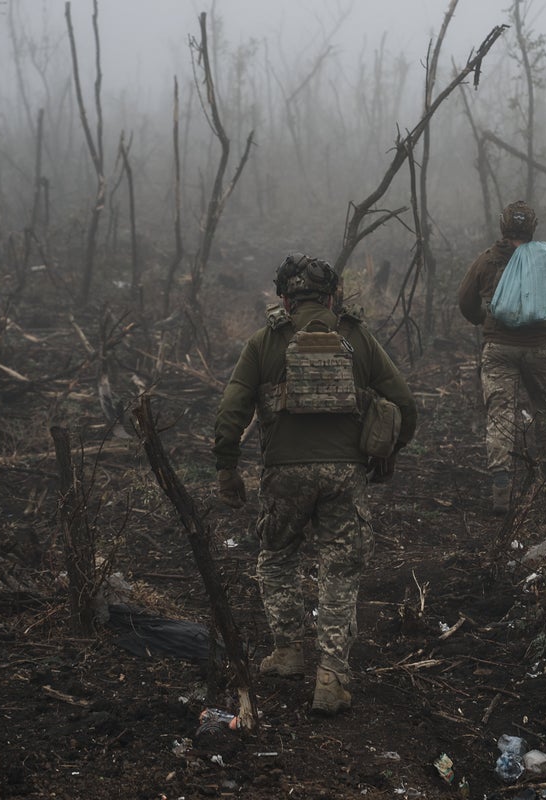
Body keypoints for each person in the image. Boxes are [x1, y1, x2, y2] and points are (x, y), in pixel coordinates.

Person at [213, 253, 417, 714]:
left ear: (284, 298)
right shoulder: (358, 339)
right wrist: (388, 454)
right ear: (332, 296)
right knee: (340, 570)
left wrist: (227, 468)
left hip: (284, 474)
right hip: (345, 474)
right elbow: (404, 402)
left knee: (278, 558)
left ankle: (287, 652)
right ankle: (331, 676)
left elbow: (231, 413)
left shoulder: (264, 342)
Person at [457, 200, 546, 514]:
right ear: (532, 227)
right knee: (545, 409)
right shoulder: (545, 258)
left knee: (500, 415)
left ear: (503, 226)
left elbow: (465, 300)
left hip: (499, 348)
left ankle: (501, 487)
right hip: (539, 347)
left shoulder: (487, 260)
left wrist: (482, 320)